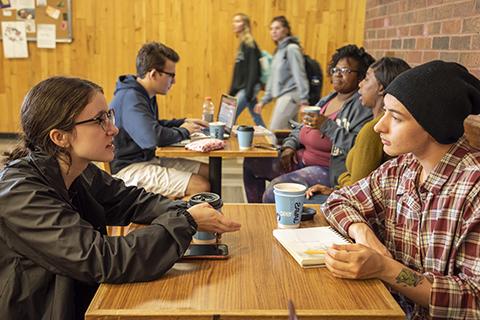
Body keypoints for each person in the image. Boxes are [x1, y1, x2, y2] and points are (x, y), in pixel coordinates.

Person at [0, 76, 241, 320]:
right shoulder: (21, 194)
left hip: (78, 296)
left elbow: (130, 200)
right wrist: (187, 221)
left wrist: (188, 209)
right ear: (59, 137)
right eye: (99, 120)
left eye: (109, 116)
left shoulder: (76, 168)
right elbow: (103, 258)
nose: (113, 129)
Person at [321, 60, 480, 319]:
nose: (378, 126)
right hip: (386, 308)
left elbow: (473, 299)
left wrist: (386, 268)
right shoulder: (402, 168)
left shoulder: (473, 187)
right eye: (384, 112)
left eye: (395, 117)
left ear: (434, 124)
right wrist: (363, 233)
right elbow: (338, 201)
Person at [244, 44, 374, 203]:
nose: (337, 75)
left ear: (360, 77)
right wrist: (289, 146)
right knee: (252, 164)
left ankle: (275, 220)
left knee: (274, 190)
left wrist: (326, 125)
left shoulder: (362, 107)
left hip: (327, 170)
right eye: (335, 70)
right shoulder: (329, 98)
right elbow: (301, 127)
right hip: (300, 159)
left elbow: (358, 147)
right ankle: (258, 212)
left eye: (345, 71)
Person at [110, 42, 210, 199]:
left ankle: (202, 218)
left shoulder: (143, 93)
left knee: (210, 172)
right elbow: (152, 138)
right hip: (129, 169)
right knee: (200, 186)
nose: (174, 81)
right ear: (154, 74)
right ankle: (175, 222)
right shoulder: (131, 98)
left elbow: (152, 125)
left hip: (147, 160)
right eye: (171, 75)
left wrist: (183, 122)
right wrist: (184, 131)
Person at [305, 57, 411, 203]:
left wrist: (340, 181)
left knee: (298, 200)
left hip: (360, 206)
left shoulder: (373, 129)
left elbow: (358, 193)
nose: (360, 84)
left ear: (381, 88)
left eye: (366, 79)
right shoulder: (388, 125)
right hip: (353, 194)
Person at [253, 16, 309, 130]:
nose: (273, 31)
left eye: (277, 28)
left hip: (290, 96)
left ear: (286, 30)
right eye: (271, 28)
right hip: (283, 96)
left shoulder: (292, 49)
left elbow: (300, 74)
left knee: (273, 132)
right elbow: (272, 78)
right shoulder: (278, 51)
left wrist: (304, 100)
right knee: (290, 135)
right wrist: (264, 101)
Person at [229, 13, 266, 127]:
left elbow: (254, 69)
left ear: (245, 25)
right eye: (234, 21)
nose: (234, 24)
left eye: (238, 21)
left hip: (247, 88)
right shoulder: (242, 44)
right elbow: (239, 72)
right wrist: (232, 91)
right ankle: (271, 139)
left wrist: (249, 92)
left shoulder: (250, 44)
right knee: (257, 118)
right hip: (244, 88)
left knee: (229, 117)